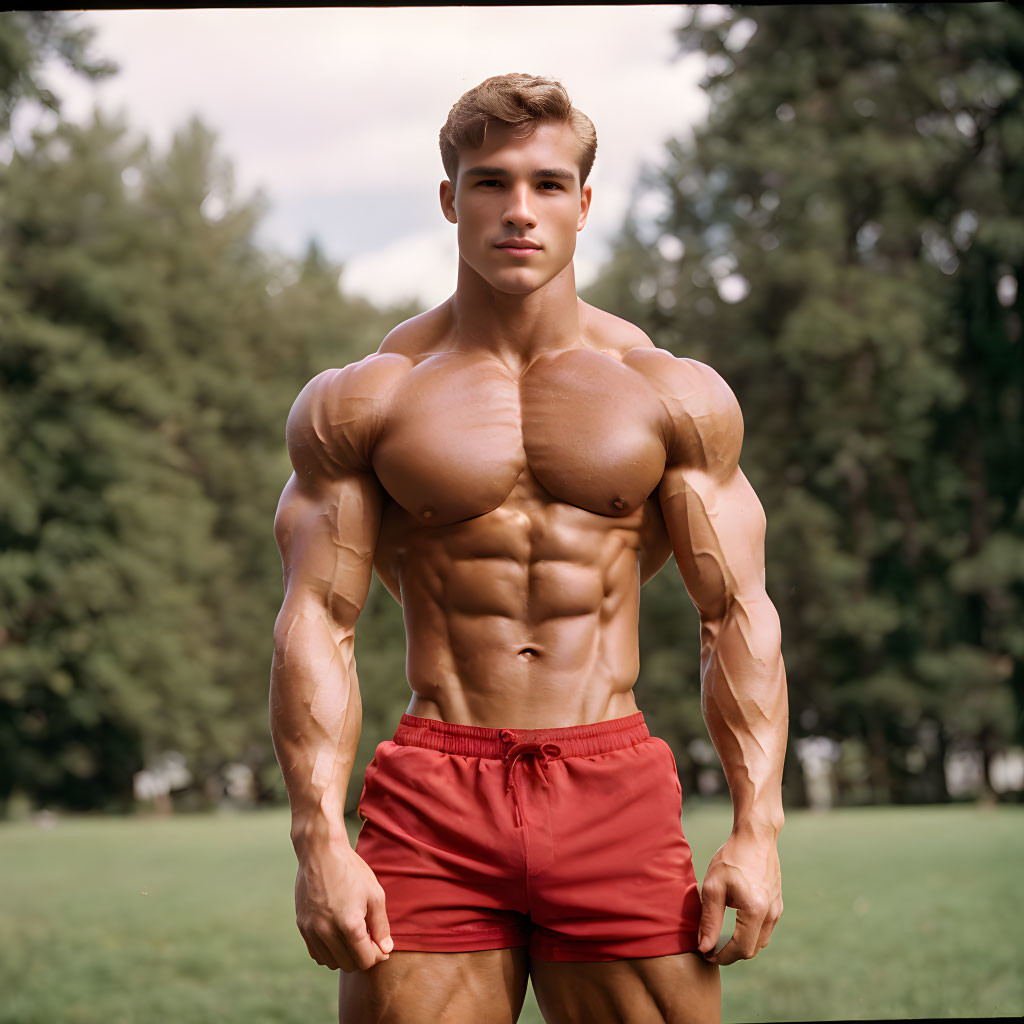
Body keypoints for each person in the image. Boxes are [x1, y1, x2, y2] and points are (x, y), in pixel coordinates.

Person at [270, 73, 787, 1024]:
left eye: (549, 184)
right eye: (489, 182)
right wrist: (319, 841)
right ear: (448, 200)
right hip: (436, 787)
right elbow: (315, 622)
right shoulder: (365, 400)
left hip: (612, 779)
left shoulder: (669, 394)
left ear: (584, 204)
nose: (520, 210)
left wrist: (759, 829)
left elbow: (735, 613)